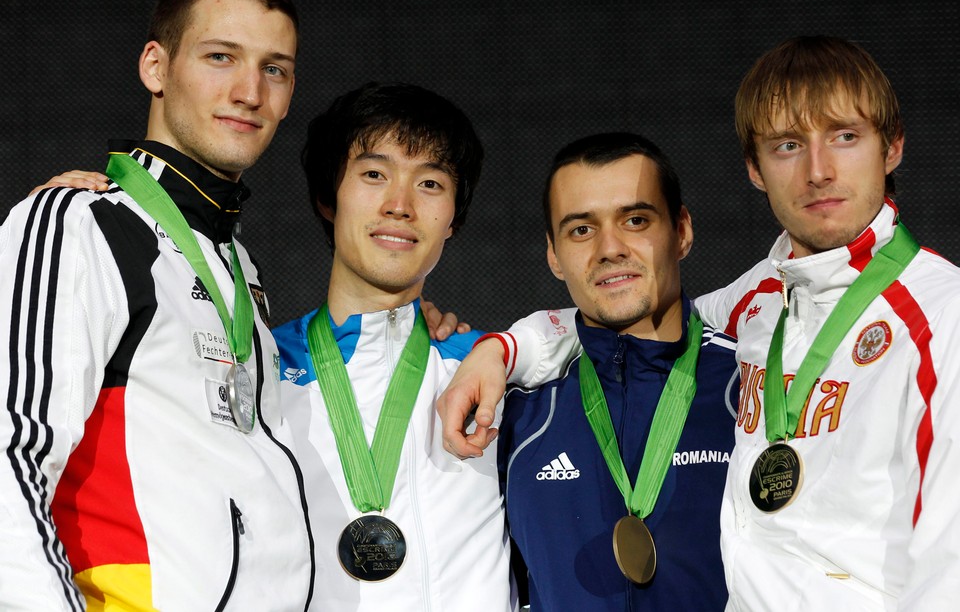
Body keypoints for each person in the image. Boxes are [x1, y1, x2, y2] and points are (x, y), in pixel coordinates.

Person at [440, 36, 960, 610]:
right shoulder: (764, 297)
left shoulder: (941, 318)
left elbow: (947, 568)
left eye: (844, 136)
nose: (818, 170)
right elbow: (633, 310)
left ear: (892, 148)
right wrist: (504, 347)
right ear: (756, 169)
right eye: (788, 145)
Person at [0, 0, 315, 610]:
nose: (249, 91)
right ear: (155, 67)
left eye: (274, 69)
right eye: (220, 57)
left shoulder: (236, 266)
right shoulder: (78, 223)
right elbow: (8, 454)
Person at [272, 82, 514, 610]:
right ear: (328, 197)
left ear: (454, 218)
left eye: (429, 182)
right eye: (374, 174)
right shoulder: (258, 370)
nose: (399, 205)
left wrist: (509, 346)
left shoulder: (491, 373)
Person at [496, 132, 738, 609]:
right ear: (553, 255)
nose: (610, 248)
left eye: (635, 219)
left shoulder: (752, 392)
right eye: (581, 230)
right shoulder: (515, 419)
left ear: (682, 231)